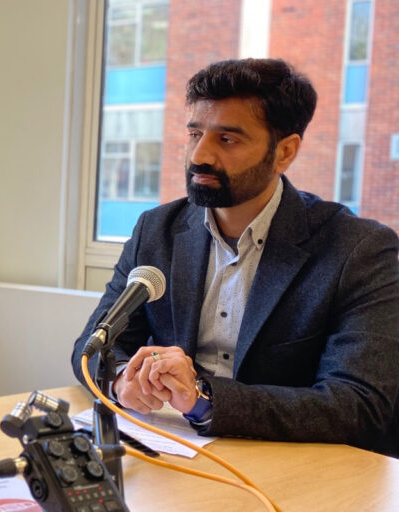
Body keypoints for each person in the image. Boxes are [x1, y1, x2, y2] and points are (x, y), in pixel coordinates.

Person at [71, 58, 399, 457]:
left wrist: (204, 399)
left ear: (285, 152)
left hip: (294, 464)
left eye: (227, 139)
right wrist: (123, 379)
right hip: (176, 451)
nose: (199, 156)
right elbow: (92, 349)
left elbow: (359, 405)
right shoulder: (157, 230)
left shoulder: (358, 248)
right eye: (194, 133)